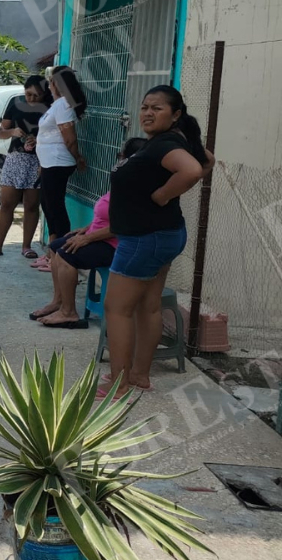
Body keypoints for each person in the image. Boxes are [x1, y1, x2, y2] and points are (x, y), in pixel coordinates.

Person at [100, 86, 215, 399]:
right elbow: (207, 161)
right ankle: (138, 376)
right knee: (148, 307)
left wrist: (165, 194)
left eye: (158, 108)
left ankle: (118, 384)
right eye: (145, 106)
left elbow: (194, 169)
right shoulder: (169, 142)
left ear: (175, 114)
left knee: (117, 309)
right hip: (163, 235)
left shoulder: (166, 144)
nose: (148, 113)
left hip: (143, 239)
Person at [32, 138, 148, 326]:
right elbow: (108, 214)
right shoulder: (126, 179)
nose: (119, 160)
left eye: (121, 156)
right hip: (100, 237)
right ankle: (59, 301)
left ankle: (69, 312)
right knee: (55, 246)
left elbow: (123, 224)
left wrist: (87, 238)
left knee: (65, 254)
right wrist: (86, 229)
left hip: (116, 245)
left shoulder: (139, 187)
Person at [0, 76, 51, 259]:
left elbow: (56, 134)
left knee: (31, 205)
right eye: (29, 94)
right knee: (6, 204)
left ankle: (26, 246)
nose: (32, 98)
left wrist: (40, 140)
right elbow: (1, 132)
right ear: (24, 90)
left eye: (37, 95)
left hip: (38, 160)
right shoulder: (15, 103)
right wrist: (13, 131)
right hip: (16, 158)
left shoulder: (50, 107)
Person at [33, 67, 87, 266]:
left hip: (58, 163)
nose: (48, 85)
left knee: (55, 208)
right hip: (49, 163)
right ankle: (51, 253)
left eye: (51, 82)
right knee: (47, 206)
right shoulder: (57, 105)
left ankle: (62, 257)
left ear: (57, 84)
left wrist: (78, 158)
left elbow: (69, 138)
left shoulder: (64, 105)